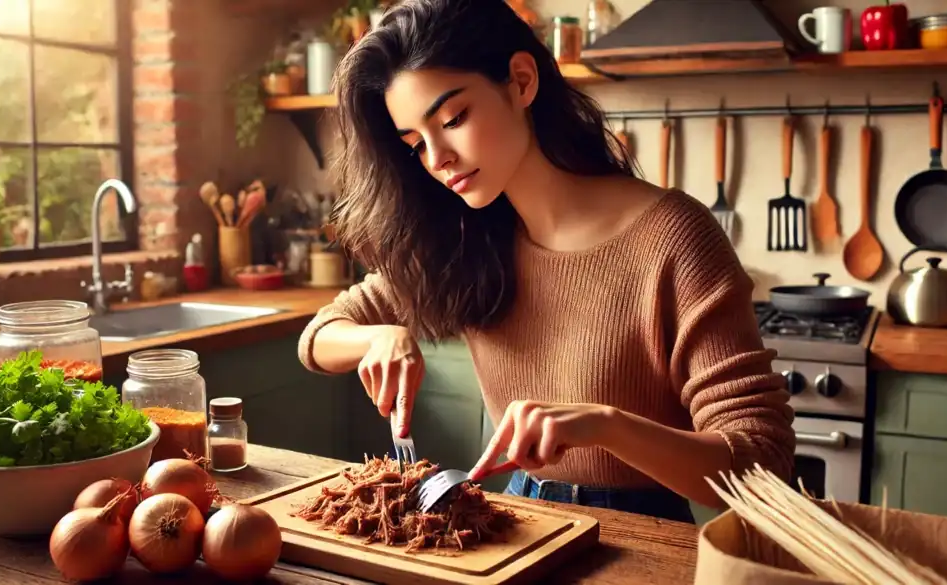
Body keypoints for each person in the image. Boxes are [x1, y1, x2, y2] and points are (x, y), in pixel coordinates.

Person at [297, 0, 795, 524]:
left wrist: (606, 426)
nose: (437, 157)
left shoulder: (674, 239)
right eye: (416, 143)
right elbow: (319, 337)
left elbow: (763, 468)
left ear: (521, 81)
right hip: (516, 521)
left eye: (453, 118)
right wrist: (378, 338)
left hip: (643, 537)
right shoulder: (462, 237)